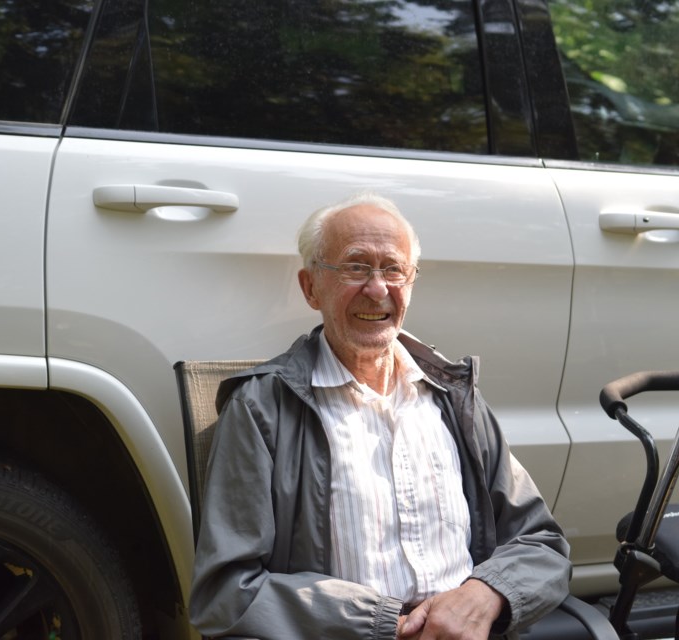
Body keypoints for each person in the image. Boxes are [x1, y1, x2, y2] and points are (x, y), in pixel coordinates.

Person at [189, 192, 571, 639]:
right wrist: (386, 623)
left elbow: (542, 545)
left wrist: (484, 594)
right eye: (355, 267)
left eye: (393, 269)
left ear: (411, 282)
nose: (377, 289)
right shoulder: (262, 407)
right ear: (311, 287)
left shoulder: (453, 397)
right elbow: (226, 593)